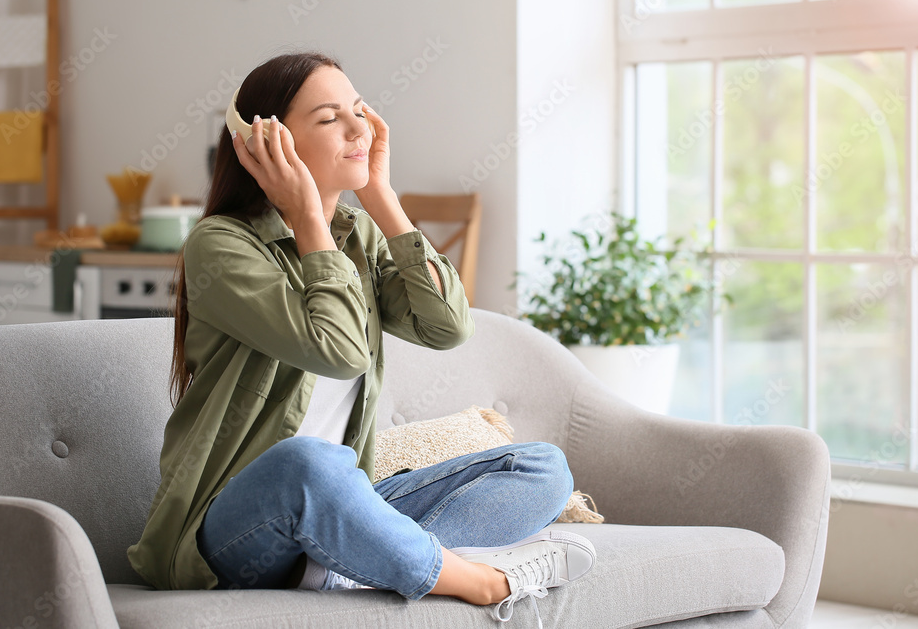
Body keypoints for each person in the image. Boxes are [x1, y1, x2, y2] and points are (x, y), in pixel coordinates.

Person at [126, 51, 596, 624]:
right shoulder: (221, 246)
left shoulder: (357, 234)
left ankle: (357, 559)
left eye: (359, 110)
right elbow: (341, 352)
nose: (360, 129)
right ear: (266, 144)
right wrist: (306, 217)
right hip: (234, 531)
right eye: (329, 118)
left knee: (542, 469)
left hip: (336, 509)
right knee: (308, 464)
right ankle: (475, 581)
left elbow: (448, 327)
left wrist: (381, 197)